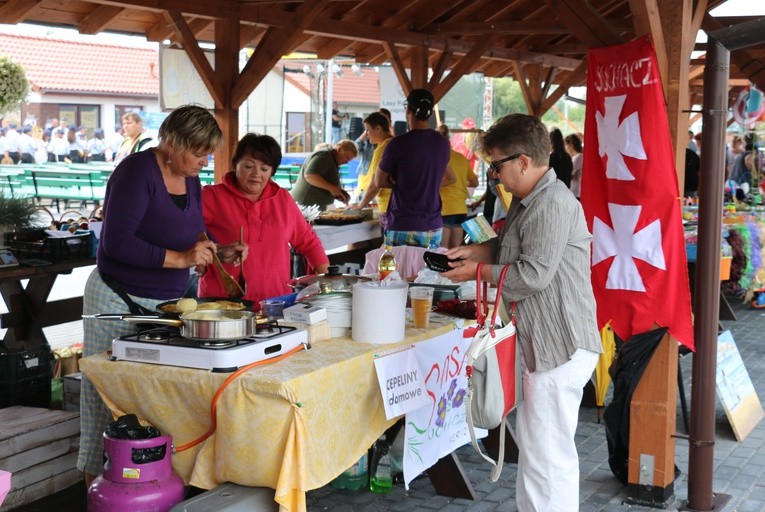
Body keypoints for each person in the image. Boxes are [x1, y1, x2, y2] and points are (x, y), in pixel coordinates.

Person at [441, 114, 602, 512]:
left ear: (524, 161)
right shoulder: (531, 199)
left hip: (558, 345)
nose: (494, 174)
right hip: (547, 343)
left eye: (497, 165)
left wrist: (477, 270)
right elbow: (510, 250)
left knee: (548, 459)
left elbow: (531, 275)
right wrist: (474, 253)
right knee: (540, 453)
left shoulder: (550, 203)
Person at [77, 105, 243, 488]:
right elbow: (117, 242)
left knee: (154, 398)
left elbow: (192, 233)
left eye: (208, 154)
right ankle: (93, 488)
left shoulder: (192, 181)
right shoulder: (137, 172)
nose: (204, 162)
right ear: (172, 142)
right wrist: (183, 259)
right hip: (115, 299)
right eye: (198, 152)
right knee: (103, 398)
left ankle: (149, 484)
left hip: (163, 305)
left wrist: (216, 250)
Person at [200, 133, 329, 303]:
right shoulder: (212, 196)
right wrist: (212, 251)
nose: (256, 174)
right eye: (248, 166)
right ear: (235, 165)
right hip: (223, 304)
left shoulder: (282, 198)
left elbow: (308, 241)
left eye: (264, 168)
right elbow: (184, 233)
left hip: (276, 303)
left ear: (272, 171)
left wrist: (328, 283)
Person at [375, 88, 453, 248]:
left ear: (408, 109)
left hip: (402, 222)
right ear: (430, 113)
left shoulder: (397, 144)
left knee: (394, 273)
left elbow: (379, 181)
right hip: (433, 225)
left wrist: (399, 182)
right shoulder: (443, 143)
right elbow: (439, 176)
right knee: (428, 273)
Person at [438, 124, 478, 248]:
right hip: (461, 209)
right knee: (456, 251)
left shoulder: (440, 158)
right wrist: (461, 183)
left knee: (443, 250)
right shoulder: (461, 158)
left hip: (446, 207)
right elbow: (474, 182)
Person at [291, 139, 356, 210]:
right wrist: (332, 188)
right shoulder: (324, 155)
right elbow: (310, 176)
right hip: (306, 205)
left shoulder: (332, 158)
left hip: (314, 206)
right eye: (346, 158)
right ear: (340, 149)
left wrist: (339, 194)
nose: (346, 162)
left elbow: (325, 181)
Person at [351, 112, 394, 217]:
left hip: (388, 206)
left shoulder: (383, 148)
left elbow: (375, 184)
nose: (366, 133)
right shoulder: (395, 143)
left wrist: (360, 206)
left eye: (368, 130)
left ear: (378, 129)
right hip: (397, 203)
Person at [565, 133, 584, 199]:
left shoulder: (579, 157)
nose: (565, 148)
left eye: (566, 145)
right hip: (574, 191)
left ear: (570, 145)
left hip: (576, 192)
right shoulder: (574, 157)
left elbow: (570, 174)